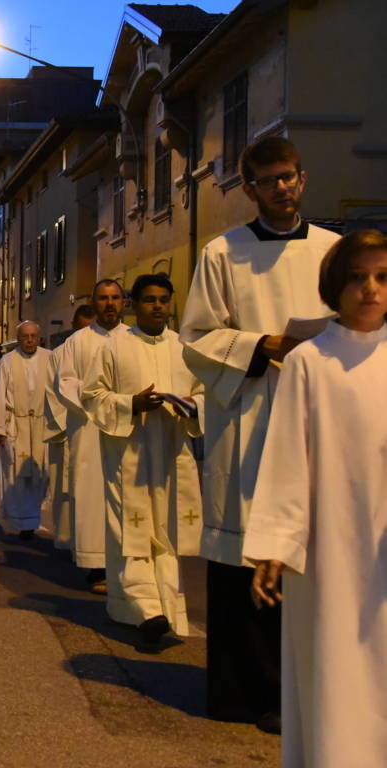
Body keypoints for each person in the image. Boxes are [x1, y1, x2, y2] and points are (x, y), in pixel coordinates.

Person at [179, 136, 340, 732]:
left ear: (303, 178)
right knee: (243, 556)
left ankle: (301, 695)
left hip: (315, 418)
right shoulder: (223, 253)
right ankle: (238, 694)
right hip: (247, 418)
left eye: (290, 177)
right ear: (248, 187)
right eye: (268, 180)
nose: (281, 187)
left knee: (307, 560)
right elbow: (196, 337)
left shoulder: (333, 250)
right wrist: (264, 344)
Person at [244, 231, 387, 767]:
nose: (370, 289)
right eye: (357, 277)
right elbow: (286, 457)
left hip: (383, 543)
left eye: (381, 277)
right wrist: (275, 545)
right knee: (333, 672)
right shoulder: (311, 361)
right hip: (329, 548)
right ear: (335, 284)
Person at [83, 275, 203, 644]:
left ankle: (166, 608)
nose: (157, 306)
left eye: (163, 299)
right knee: (132, 530)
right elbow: (91, 395)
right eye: (149, 300)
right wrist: (130, 404)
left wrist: (191, 408)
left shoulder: (184, 347)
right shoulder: (115, 346)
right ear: (135, 304)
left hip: (171, 451)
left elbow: (201, 393)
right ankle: (143, 607)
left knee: (165, 529)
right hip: (128, 451)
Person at [53, 281, 129, 592]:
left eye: (115, 298)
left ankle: (127, 564)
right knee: (93, 494)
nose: (109, 304)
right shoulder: (77, 342)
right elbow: (66, 380)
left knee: (126, 495)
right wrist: (94, 403)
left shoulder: (134, 339)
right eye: (103, 298)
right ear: (94, 303)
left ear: (123, 302)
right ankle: (97, 565)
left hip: (126, 426)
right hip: (89, 427)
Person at [0, 321, 52, 537]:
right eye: (24, 336)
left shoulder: (50, 358)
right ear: (18, 338)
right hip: (16, 425)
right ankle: (20, 520)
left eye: (33, 336)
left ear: (39, 337)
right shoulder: (7, 361)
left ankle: (32, 518)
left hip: (41, 425)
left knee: (38, 475)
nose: (29, 340)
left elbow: (57, 392)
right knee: (16, 475)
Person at [44, 305, 96, 552]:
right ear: (74, 327)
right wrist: (73, 422)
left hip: (99, 431)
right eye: (83, 328)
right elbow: (52, 392)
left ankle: (93, 544)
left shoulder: (107, 349)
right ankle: (67, 540)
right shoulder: (59, 354)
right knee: (65, 491)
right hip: (68, 430)